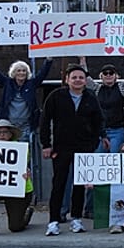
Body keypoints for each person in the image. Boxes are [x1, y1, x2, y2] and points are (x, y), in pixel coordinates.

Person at [0, 39, 54, 202]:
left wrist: (49, 56)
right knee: (5, 159)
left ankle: (24, 191)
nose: (21, 73)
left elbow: (43, 72)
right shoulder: (7, 83)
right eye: (18, 71)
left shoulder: (32, 83)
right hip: (7, 126)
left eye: (23, 71)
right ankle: (3, 192)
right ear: (13, 73)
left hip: (26, 127)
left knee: (24, 159)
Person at [40, 64, 104, 235]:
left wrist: (97, 140)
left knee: (79, 185)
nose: (77, 80)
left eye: (81, 78)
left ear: (85, 81)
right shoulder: (56, 96)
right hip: (61, 147)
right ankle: (53, 221)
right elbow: (45, 121)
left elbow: (98, 121)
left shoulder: (90, 97)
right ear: (67, 80)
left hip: (84, 147)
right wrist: (46, 144)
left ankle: (76, 219)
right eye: (74, 77)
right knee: (59, 184)